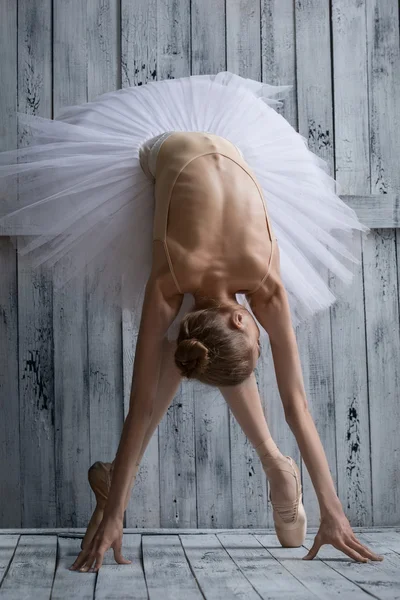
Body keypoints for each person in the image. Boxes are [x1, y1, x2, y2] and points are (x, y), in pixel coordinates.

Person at [0, 72, 382, 572]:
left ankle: (119, 477)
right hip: (168, 149)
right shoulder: (215, 282)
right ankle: (262, 465)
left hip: (212, 146)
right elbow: (297, 406)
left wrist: (334, 512)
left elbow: (141, 408)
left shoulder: (225, 281)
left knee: (181, 332)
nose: (264, 341)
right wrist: (333, 508)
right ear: (244, 321)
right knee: (182, 328)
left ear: (242, 322)